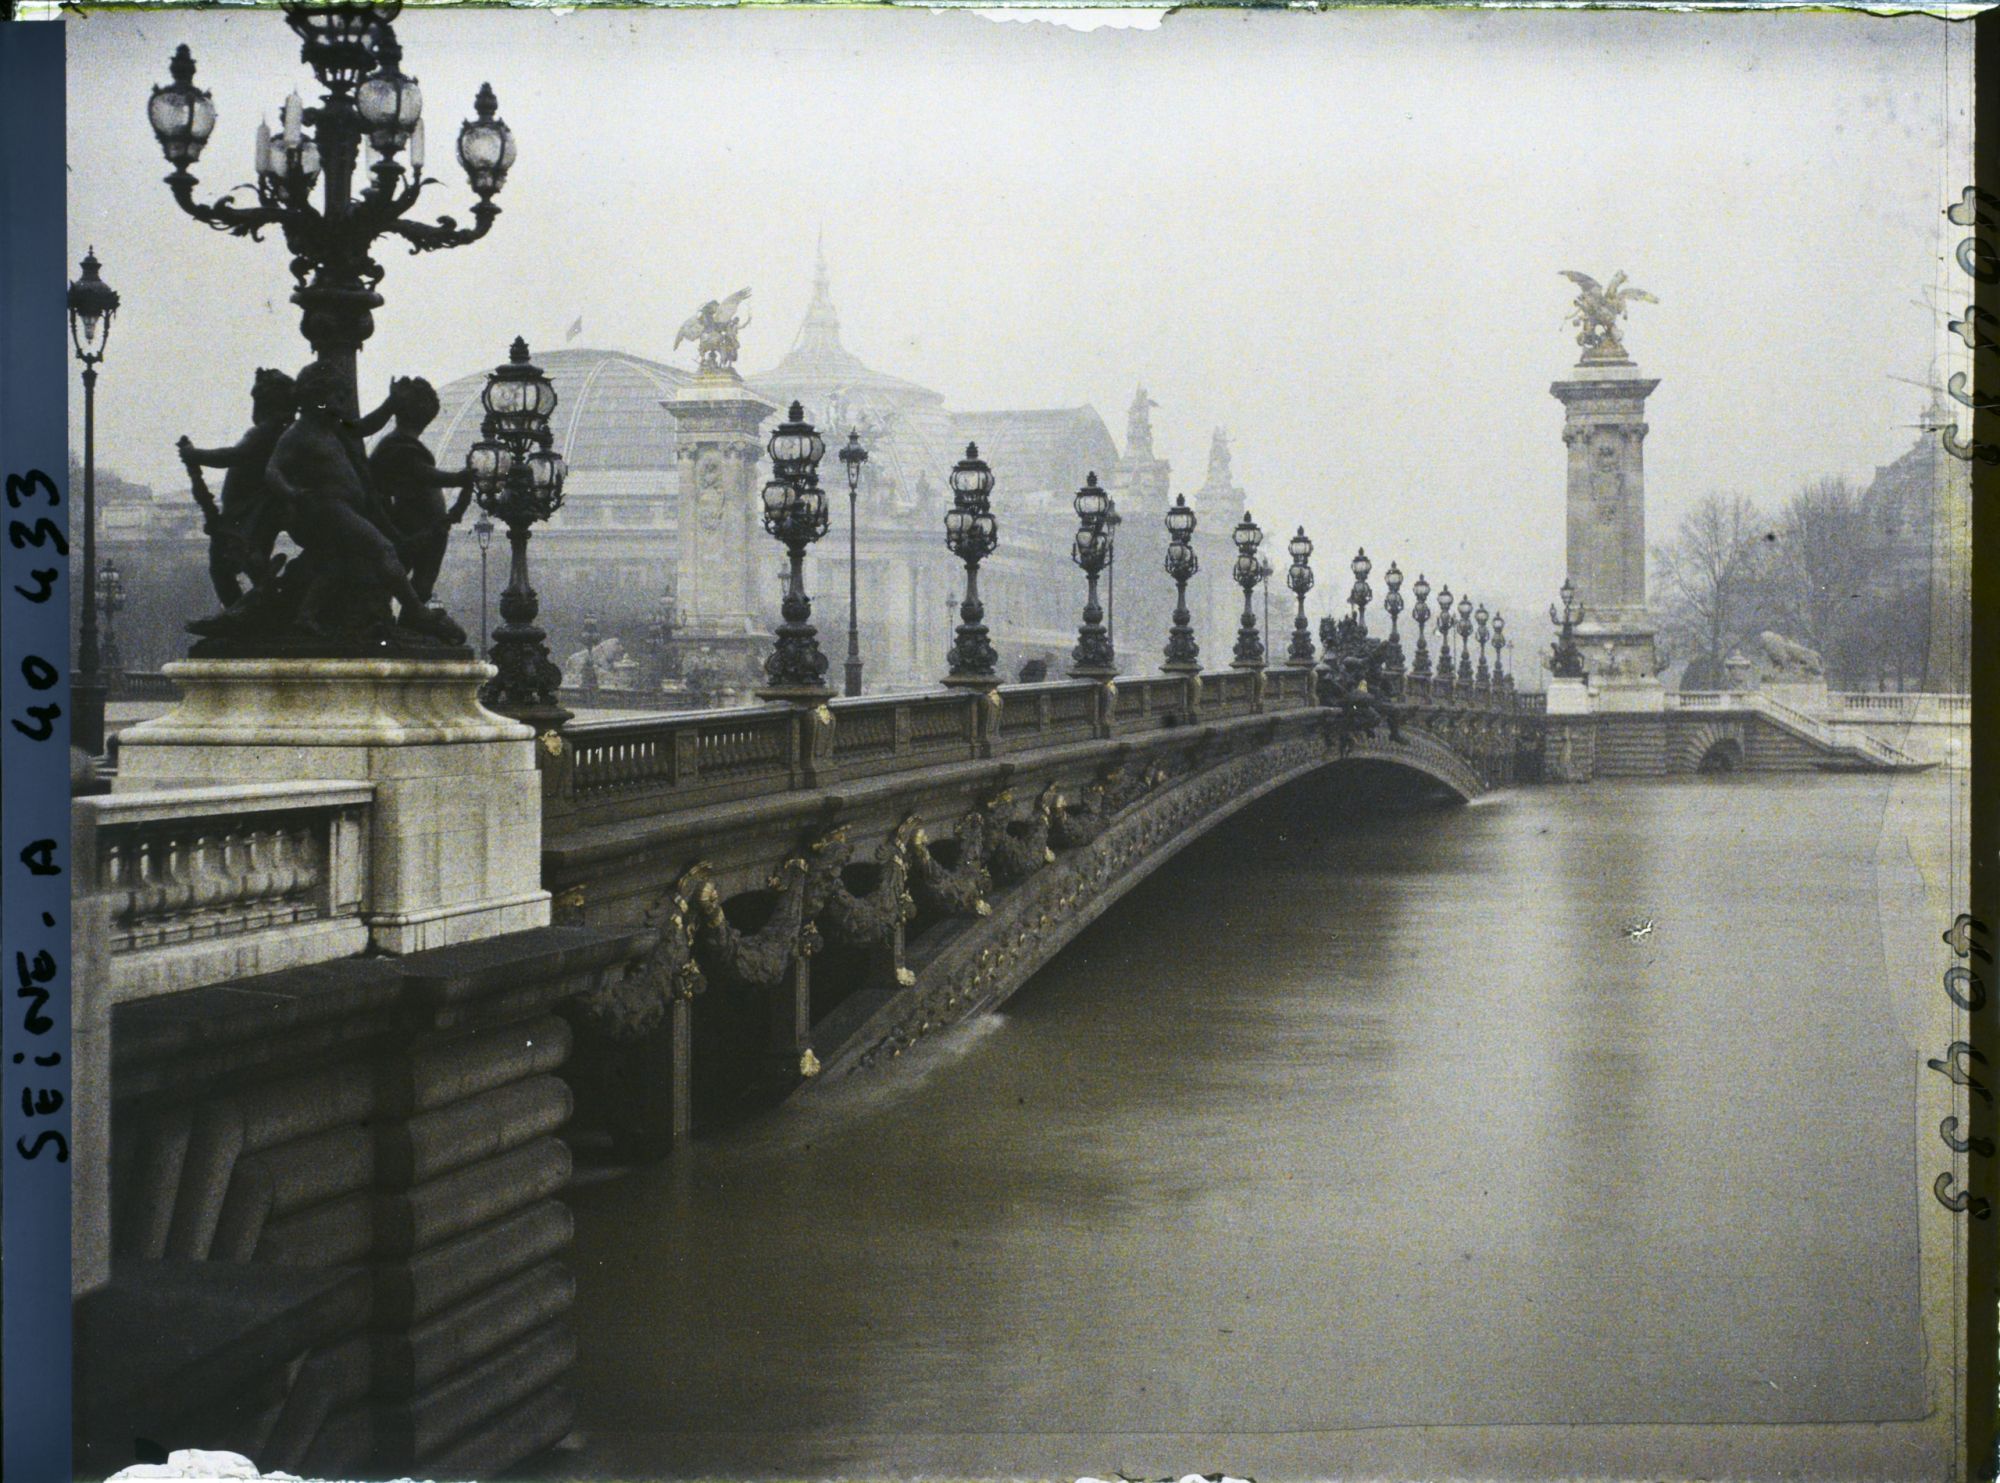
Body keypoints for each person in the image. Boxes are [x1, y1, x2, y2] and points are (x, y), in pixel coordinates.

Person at [263, 359, 461, 644]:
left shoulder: (334, 428)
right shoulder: (299, 433)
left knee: (335, 566)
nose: (343, 402)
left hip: (343, 508)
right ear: (316, 397)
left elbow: (368, 425)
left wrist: (390, 404)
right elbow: (272, 470)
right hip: (328, 507)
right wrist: (291, 493)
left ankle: (305, 617)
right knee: (383, 548)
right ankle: (415, 609)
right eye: (337, 396)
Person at [177, 369, 297, 606]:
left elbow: (233, 456)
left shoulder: (267, 430)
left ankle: (244, 611)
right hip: (248, 510)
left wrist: (194, 454)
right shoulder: (280, 429)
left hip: (247, 512)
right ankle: (260, 607)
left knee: (223, 567)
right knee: (249, 562)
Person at [367, 376, 475, 603]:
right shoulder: (399, 445)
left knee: (419, 580)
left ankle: (408, 617)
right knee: (406, 576)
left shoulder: (401, 442)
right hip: (409, 525)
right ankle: (405, 617)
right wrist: (458, 478)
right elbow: (422, 475)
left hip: (423, 525)